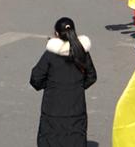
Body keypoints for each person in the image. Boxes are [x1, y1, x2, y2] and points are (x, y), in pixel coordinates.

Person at [29, 17, 97, 147]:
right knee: (75, 136)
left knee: (50, 137)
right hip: (76, 105)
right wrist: (78, 86)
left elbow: (36, 78)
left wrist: (49, 86)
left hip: (53, 106)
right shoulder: (82, 52)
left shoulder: (50, 55)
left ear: (56, 34)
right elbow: (91, 76)